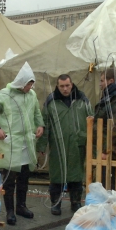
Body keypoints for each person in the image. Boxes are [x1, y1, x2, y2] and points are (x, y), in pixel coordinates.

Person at [0, 62, 45, 226]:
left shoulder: (31, 95)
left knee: (24, 176)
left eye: (32, 84)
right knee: (10, 179)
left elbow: (36, 112)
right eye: (28, 84)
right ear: (21, 83)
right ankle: (10, 211)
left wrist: (40, 125)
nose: (30, 87)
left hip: (27, 142)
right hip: (10, 143)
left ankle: (21, 206)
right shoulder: (5, 95)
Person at [37, 74, 90, 215]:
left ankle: (76, 202)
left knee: (76, 175)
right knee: (57, 175)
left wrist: (92, 145)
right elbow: (45, 124)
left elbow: (92, 123)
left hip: (78, 144)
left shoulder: (82, 100)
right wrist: (42, 145)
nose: (65, 89)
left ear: (71, 84)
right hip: (57, 145)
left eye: (67, 85)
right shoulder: (51, 102)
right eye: (62, 86)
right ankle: (56, 203)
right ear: (57, 86)